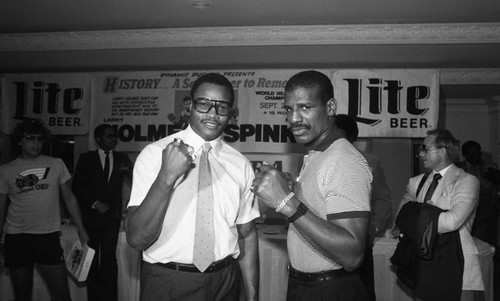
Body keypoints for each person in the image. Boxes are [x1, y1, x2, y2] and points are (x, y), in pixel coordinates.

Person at [126, 73, 260, 301]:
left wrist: (253, 296)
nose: (212, 114)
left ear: (232, 113)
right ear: (189, 106)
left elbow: (247, 234)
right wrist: (166, 177)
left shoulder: (240, 164)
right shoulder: (155, 154)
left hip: (226, 281)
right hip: (169, 280)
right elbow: (137, 238)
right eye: (204, 104)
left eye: (222, 107)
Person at [252, 70, 372, 301]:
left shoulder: (343, 160)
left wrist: (286, 202)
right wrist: (290, 191)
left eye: (305, 107)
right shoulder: (319, 155)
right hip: (309, 287)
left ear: (330, 108)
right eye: (289, 109)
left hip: (331, 290)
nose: (293, 119)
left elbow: (352, 254)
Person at [0, 119, 89, 301]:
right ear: (19, 141)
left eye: (40, 139)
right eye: (30, 138)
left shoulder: (56, 163)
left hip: (47, 236)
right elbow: (0, 207)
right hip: (16, 237)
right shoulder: (5, 170)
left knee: (62, 295)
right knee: (22, 296)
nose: (36, 143)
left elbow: (70, 198)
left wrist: (81, 228)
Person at [392, 129, 483, 300]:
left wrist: (416, 213)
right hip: (423, 263)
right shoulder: (416, 183)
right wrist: (429, 211)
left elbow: (452, 222)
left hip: (455, 264)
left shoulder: (466, 181)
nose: (420, 153)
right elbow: (401, 218)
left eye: (425, 148)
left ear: (442, 151)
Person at [72, 124, 132, 301]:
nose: (113, 139)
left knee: (109, 260)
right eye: (109, 136)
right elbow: (77, 187)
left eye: (115, 136)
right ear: (98, 139)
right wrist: (95, 202)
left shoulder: (122, 158)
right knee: (91, 259)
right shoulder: (86, 159)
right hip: (90, 218)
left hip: (112, 219)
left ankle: (111, 298)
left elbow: (137, 178)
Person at [335, 113, 392, 301]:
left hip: (359, 243)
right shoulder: (316, 160)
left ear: (351, 137)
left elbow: (383, 200)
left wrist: (373, 228)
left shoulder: (369, 161)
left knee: (361, 294)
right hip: (326, 243)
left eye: (339, 134)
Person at [457, 140, 498, 246]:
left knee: (488, 247)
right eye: (473, 154)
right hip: (467, 214)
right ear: (466, 154)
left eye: (478, 153)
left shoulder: (487, 168)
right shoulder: (458, 169)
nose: (477, 156)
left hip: (487, 215)